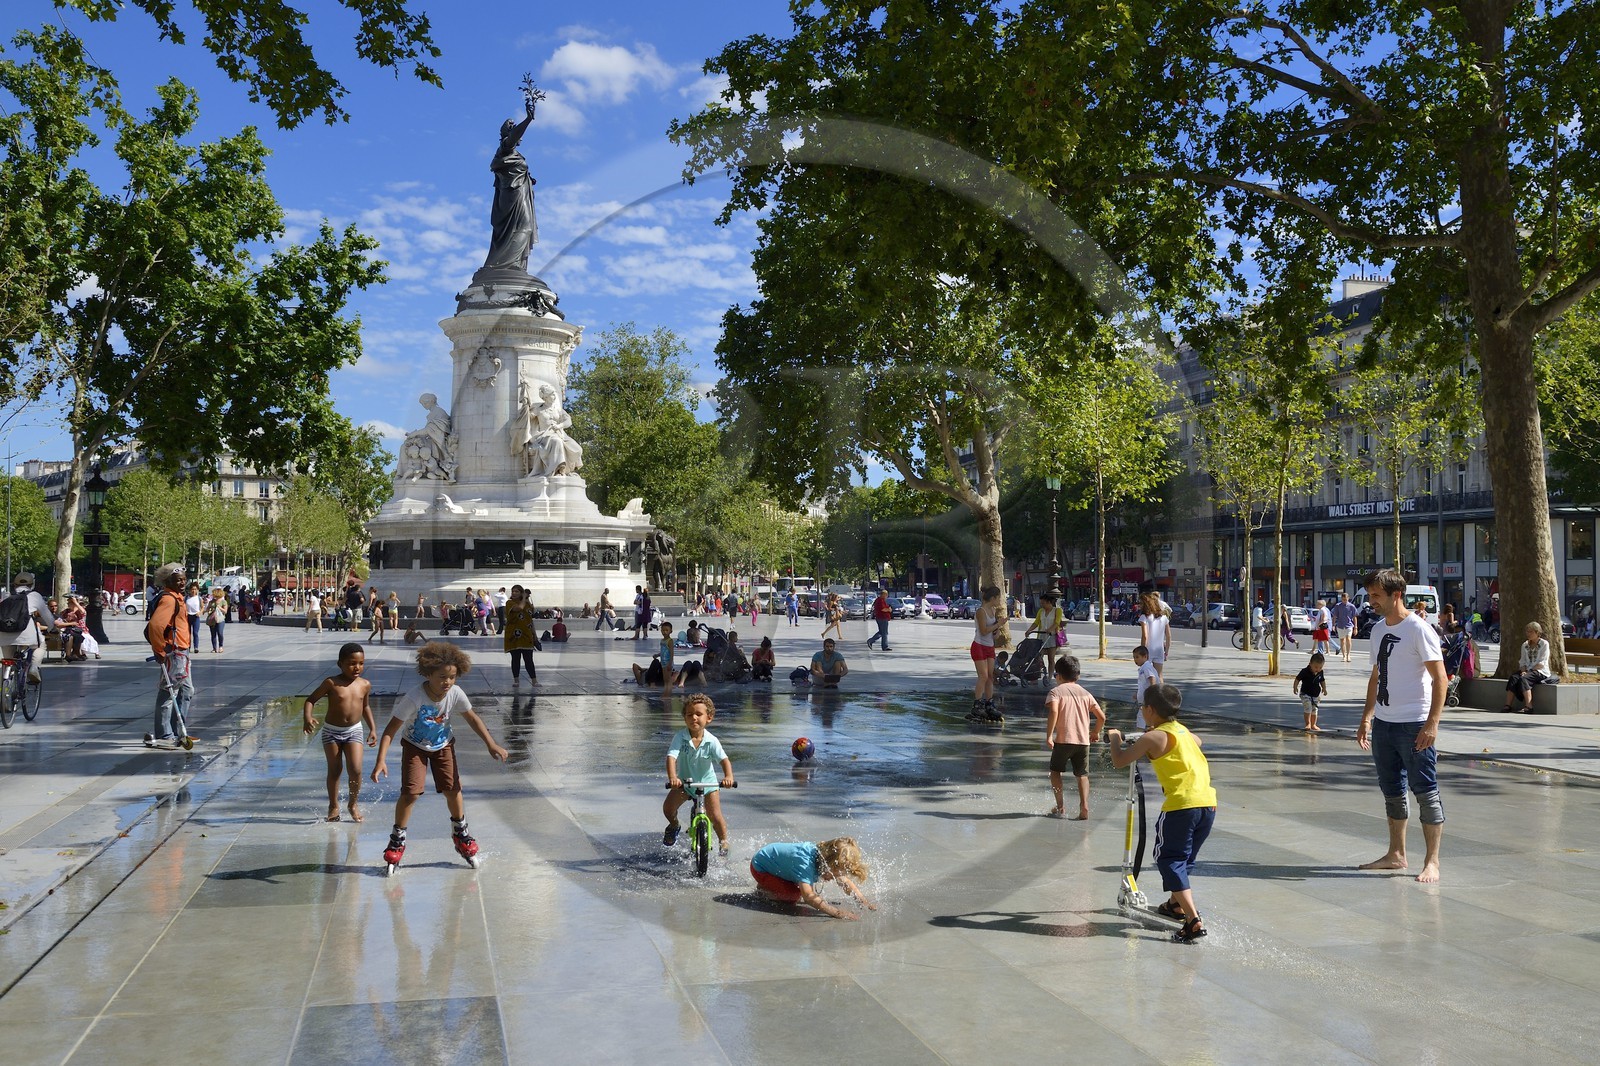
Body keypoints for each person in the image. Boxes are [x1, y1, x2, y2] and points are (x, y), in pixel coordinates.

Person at [370, 641, 509, 868]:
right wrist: (381, 760)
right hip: (414, 746)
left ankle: (460, 832)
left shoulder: (455, 693)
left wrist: (490, 743)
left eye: (452, 677)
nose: (448, 682)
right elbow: (390, 730)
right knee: (411, 793)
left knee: (453, 789)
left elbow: (472, 718)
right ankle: (397, 839)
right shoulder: (415, 697)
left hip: (443, 745)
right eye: (442, 677)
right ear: (428, 674)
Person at [1355, 567, 1446, 884]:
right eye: (1369, 595)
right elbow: (1376, 676)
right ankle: (1396, 854)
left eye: (1376, 595)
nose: (1371, 601)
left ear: (1396, 595)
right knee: (1392, 791)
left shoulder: (1419, 629)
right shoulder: (1379, 629)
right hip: (1384, 724)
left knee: (1425, 792)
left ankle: (1432, 861)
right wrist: (1367, 716)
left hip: (1414, 724)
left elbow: (1440, 679)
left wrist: (1432, 723)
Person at [1107, 684, 1216, 943]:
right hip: (1208, 804)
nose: (1142, 710)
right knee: (1185, 859)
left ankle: (1193, 920)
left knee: (1169, 859)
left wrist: (1114, 739)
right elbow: (1196, 742)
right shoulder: (1184, 732)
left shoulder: (1151, 738)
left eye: (1143, 707)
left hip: (1181, 806)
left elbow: (1120, 761)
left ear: (1151, 710)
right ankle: (1175, 905)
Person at [302, 643, 378, 822]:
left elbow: (365, 706)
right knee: (335, 770)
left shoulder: (365, 684)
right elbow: (310, 700)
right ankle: (333, 805)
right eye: (352, 663)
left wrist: (373, 728)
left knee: (356, 769)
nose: (357, 667)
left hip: (354, 731)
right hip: (332, 732)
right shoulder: (331, 683)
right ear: (340, 664)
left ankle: (353, 803)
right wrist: (307, 717)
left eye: (361, 663)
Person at [662, 693, 737, 855]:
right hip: (684, 784)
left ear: (709, 718)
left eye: (698, 714)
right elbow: (671, 757)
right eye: (689, 714)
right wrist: (673, 778)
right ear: (684, 718)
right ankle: (674, 825)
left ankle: (723, 842)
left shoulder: (712, 740)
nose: (694, 718)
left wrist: (728, 776)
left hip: (707, 784)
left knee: (715, 816)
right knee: (668, 809)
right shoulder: (680, 737)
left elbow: (724, 760)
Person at [750, 837, 875, 920]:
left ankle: (773, 884)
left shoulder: (824, 859)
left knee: (798, 890)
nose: (834, 878)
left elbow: (845, 882)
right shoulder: (805, 864)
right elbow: (809, 897)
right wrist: (837, 912)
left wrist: (864, 902)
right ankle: (763, 890)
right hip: (760, 868)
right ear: (827, 863)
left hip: (776, 864)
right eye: (833, 875)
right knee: (792, 896)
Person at [1043, 656, 1105, 819]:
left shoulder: (1056, 692)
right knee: (1082, 775)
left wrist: (1049, 735)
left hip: (1063, 741)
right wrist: (1095, 732)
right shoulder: (1086, 693)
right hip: (1083, 742)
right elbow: (1102, 717)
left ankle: (1060, 806)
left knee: (1055, 772)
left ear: (1060, 676)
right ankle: (1084, 806)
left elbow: (1054, 711)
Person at [144, 563, 195, 748]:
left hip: (181, 651)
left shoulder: (178, 597)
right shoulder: (169, 599)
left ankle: (177, 731)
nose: (182, 582)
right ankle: (165, 733)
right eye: (178, 580)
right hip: (174, 652)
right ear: (168, 581)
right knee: (169, 692)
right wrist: (159, 649)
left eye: (184, 579)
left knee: (186, 690)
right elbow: (156, 626)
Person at [0, 572, 54, 684]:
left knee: (8, 660)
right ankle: (34, 667)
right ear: (32, 584)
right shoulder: (35, 596)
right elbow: (48, 617)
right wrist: (51, 628)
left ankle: (5, 687)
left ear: (14, 584)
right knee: (41, 644)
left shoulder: (6, 595)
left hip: (4, 633)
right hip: (25, 633)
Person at [967, 586, 1006, 723]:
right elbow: (983, 631)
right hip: (979, 646)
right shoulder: (981, 611)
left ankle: (989, 703)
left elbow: (992, 633)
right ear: (993, 598)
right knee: (983, 676)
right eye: (999, 597)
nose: (999, 600)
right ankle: (977, 704)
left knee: (990, 676)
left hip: (989, 646)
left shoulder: (993, 610)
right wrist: (997, 625)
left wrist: (998, 630)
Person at [1503, 621, 1551, 712]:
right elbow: (1522, 661)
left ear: (1537, 632)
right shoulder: (1525, 645)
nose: (1528, 634)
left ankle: (1529, 706)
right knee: (1514, 678)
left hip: (1540, 670)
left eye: (1530, 632)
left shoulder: (1544, 644)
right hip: (1527, 670)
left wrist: (1529, 671)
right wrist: (1523, 670)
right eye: (1527, 632)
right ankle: (1508, 705)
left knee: (1524, 679)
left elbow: (1542, 662)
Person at [1023, 591, 1066, 682]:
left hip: (1052, 637)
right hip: (1041, 637)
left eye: (1043, 603)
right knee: (1038, 657)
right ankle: (1035, 676)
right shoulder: (1040, 611)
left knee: (1051, 658)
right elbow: (1036, 622)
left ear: (1048, 602)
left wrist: (1050, 629)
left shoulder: (1057, 610)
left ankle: (1050, 676)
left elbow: (1057, 622)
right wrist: (1029, 630)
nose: (1041, 605)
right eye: (1041, 603)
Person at [502, 584, 540, 684]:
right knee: (515, 658)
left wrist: (535, 636)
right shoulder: (509, 603)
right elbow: (519, 608)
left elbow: (530, 621)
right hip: (514, 635)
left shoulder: (528, 605)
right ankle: (516, 680)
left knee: (528, 659)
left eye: (517, 591)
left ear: (521, 593)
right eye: (513, 591)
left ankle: (534, 680)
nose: (514, 593)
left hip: (526, 634)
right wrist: (524, 598)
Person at [632, 621, 680, 687]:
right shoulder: (641, 681)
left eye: (666, 630)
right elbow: (665, 651)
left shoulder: (641, 680)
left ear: (670, 631)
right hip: (659, 671)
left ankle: (656, 683)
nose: (665, 632)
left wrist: (643, 670)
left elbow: (670, 653)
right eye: (663, 630)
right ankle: (656, 683)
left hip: (662, 667)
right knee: (657, 662)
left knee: (657, 663)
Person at [1138, 591, 1172, 679]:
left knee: (1147, 676)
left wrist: (1142, 650)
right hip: (1159, 650)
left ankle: (1147, 692)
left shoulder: (1144, 617)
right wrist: (1166, 652)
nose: (1139, 605)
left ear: (1146, 604)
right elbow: (1168, 636)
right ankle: (1161, 692)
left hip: (1148, 649)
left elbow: (1145, 636)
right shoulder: (1164, 618)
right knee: (1159, 675)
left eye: (1141, 603)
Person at [1294, 652, 1327, 731]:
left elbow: (1322, 681)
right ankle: (1308, 724)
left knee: (1314, 710)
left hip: (1315, 695)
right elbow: (1297, 679)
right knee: (1308, 707)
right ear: (1310, 664)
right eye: (1316, 667)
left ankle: (1313, 724)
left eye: (1320, 667)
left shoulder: (1320, 672)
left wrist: (1324, 689)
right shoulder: (1305, 671)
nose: (1318, 669)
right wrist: (1295, 687)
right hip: (1305, 693)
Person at [1132, 644, 1159, 727]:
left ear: (1145, 657)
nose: (1135, 660)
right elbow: (1143, 684)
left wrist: (1152, 692)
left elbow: (1152, 678)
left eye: (1137, 657)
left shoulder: (1146, 667)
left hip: (1147, 699)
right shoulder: (1143, 668)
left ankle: (1140, 734)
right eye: (1134, 657)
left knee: (1141, 717)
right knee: (1147, 716)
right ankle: (1148, 730)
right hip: (1144, 699)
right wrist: (1138, 694)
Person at [55, 595, 88, 661]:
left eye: (69, 603)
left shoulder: (78, 611)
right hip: (67, 630)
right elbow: (58, 623)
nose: (68, 604)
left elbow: (83, 612)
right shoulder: (65, 612)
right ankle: (69, 655)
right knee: (70, 636)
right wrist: (70, 623)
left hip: (79, 630)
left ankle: (76, 653)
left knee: (78, 636)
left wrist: (76, 602)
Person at [1331, 592, 1358, 663]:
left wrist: (1355, 627)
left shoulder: (1351, 606)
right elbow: (1334, 616)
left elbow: (1355, 617)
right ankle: (1344, 656)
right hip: (1340, 625)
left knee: (1348, 639)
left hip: (1349, 625)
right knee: (1342, 640)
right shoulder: (1338, 606)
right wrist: (1333, 625)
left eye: (1345, 599)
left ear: (1348, 598)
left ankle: (1348, 655)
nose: (1344, 601)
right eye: (1343, 599)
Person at [205, 586, 228, 653]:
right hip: (212, 619)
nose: (215, 597)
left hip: (221, 619)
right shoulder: (211, 602)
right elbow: (207, 609)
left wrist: (220, 608)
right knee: (213, 634)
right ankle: (214, 648)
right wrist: (207, 610)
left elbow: (225, 611)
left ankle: (221, 646)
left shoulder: (224, 602)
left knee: (220, 633)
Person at [185, 581, 203, 650]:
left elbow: (202, 607)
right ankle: (188, 646)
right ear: (189, 590)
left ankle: (196, 647)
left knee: (195, 632)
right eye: (192, 589)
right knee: (187, 633)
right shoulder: (186, 598)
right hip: (188, 616)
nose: (193, 591)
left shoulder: (199, 598)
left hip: (196, 616)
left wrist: (200, 612)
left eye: (195, 589)